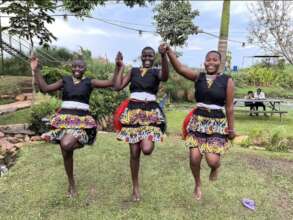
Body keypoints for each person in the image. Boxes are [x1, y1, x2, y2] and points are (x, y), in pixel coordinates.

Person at [30, 53, 124, 197]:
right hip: (63, 120)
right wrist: (36, 69)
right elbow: (45, 88)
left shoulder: (89, 82)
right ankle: (71, 184)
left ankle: (81, 141)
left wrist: (118, 67)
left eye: (80, 66)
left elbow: (111, 82)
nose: (77, 69)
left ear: (85, 68)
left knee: (66, 144)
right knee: (66, 153)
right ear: (71, 68)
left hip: (81, 122)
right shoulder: (65, 80)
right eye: (74, 66)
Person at [160, 43, 235, 200]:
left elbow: (229, 107)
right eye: (208, 60)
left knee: (212, 160)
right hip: (198, 121)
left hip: (217, 124)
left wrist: (231, 129)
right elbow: (180, 69)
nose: (211, 62)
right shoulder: (198, 77)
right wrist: (169, 52)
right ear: (204, 62)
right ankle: (197, 184)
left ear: (220, 63)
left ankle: (215, 168)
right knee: (194, 157)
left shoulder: (227, 80)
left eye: (215, 60)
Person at [113, 46, 169, 201]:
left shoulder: (156, 72)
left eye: (150, 56)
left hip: (150, 112)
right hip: (132, 112)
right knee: (134, 153)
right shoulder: (134, 71)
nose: (147, 58)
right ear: (141, 56)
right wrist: (119, 67)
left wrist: (164, 56)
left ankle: (151, 138)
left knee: (146, 149)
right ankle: (135, 187)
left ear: (154, 57)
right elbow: (117, 87)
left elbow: (165, 76)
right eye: (144, 55)